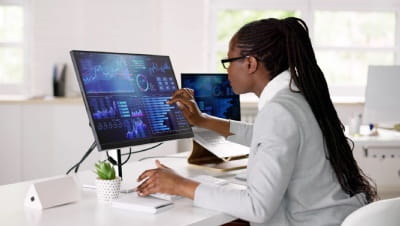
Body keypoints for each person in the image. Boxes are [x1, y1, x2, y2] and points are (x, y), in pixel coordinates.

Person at [136, 17, 377, 225]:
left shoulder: (279, 111)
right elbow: (262, 135)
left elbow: (257, 208)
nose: (227, 72)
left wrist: (179, 186)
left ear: (250, 63)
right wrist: (202, 120)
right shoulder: (297, 97)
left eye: (228, 62)